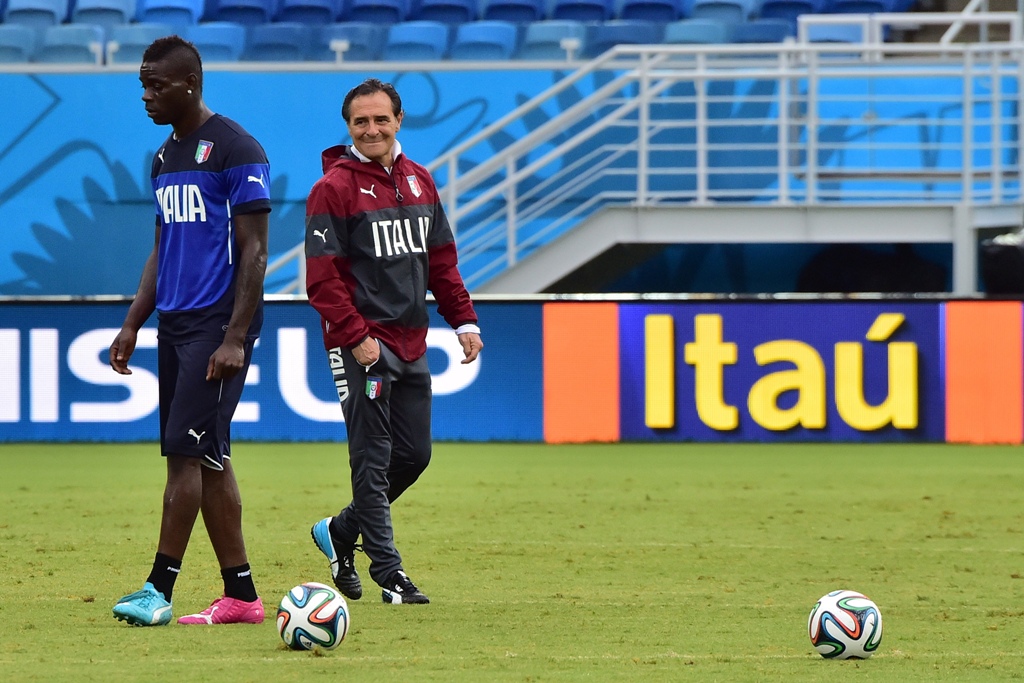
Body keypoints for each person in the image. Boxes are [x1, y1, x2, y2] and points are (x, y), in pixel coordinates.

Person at [108, 35, 271, 627]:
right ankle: (243, 597)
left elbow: (255, 252)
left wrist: (235, 335)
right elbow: (162, 247)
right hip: (175, 326)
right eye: (143, 85)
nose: (147, 96)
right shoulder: (163, 158)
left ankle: (157, 590)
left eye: (157, 85)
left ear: (190, 84)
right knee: (209, 458)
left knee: (184, 454)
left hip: (217, 327)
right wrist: (133, 322)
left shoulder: (235, 148)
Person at [304, 78, 483, 605]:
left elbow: (442, 263)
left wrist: (465, 321)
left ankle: (340, 531)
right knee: (373, 457)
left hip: (411, 343)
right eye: (362, 122)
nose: (372, 129)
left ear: (399, 121)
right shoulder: (332, 189)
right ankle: (390, 575)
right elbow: (322, 280)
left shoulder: (421, 182)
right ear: (349, 128)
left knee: (414, 455)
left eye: (381, 119)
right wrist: (355, 337)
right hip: (361, 345)